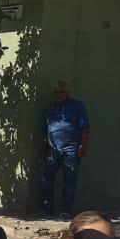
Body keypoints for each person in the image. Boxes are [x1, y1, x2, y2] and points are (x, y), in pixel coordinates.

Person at [39, 81, 90, 217]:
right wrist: (44, 150)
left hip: (71, 150)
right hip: (52, 151)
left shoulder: (76, 106)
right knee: (45, 176)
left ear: (67, 94)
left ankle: (66, 211)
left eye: (61, 92)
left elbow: (85, 127)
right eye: (55, 92)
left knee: (69, 181)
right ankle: (47, 208)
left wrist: (83, 145)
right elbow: (47, 131)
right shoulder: (50, 109)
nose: (58, 95)